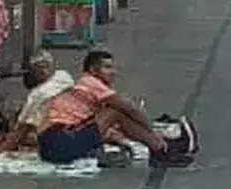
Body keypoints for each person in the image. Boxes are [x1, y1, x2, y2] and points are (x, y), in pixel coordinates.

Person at [39, 50, 197, 166]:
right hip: (59, 139)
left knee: (116, 115)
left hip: (55, 144)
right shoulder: (90, 83)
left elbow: (104, 128)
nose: (113, 73)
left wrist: (123, 140)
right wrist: (152, 130)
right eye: (107, 68)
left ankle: (163, 147)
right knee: (116, 112)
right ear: (93, 70)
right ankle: (162, 149)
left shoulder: (85, 90)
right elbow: (130, 109)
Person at [0, 50, 74, 152]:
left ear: (52, 66)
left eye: (45, 66)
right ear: (33, 72)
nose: (43, 71)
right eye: (38, 68)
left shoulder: (58, 81)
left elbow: (22, 129)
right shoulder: (63, 77)